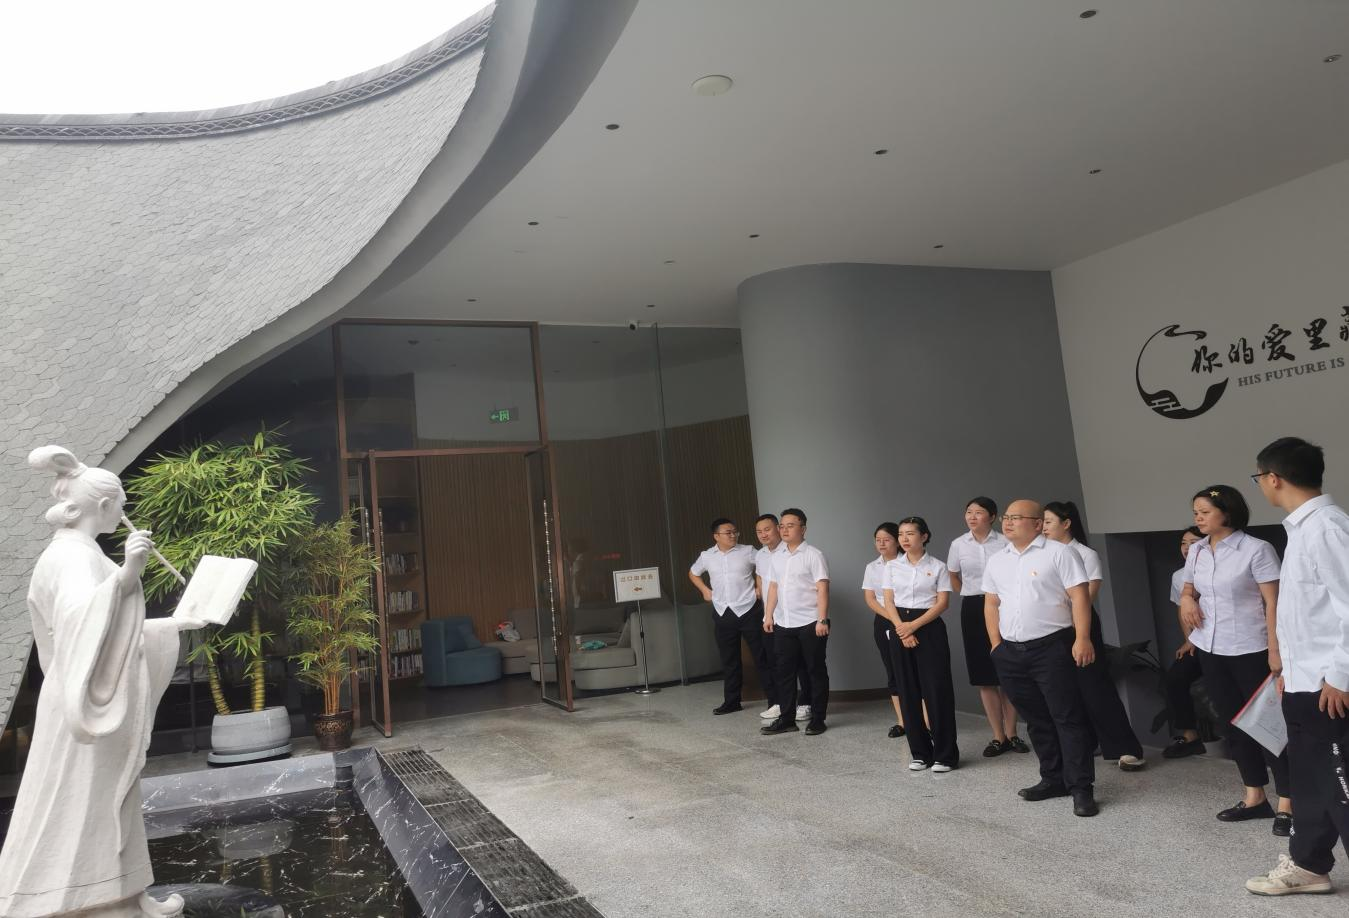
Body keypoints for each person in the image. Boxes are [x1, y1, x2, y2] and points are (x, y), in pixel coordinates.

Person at [0, 447, 209, 917]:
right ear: (103, 504)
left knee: (105, 798)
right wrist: (127, 575)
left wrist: (172, 625)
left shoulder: (81, 552)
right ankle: (80, 901)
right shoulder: (71, 557)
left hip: (83, 691)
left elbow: (110, 630)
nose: (123, 513)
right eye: (121, 504)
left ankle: (120, 894)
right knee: (82, 801)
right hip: (82, 702)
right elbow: (79, 623)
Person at [1246, 437, 1349, 896]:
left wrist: (1341, 676)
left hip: (1332, 687)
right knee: (1309, 783)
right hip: (1304, 683)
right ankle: (1308, 865)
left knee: (1342, 788)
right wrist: (1288, 671)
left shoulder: (1328, 528)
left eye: (1259, 478)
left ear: (1273, 478)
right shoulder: (1302, 530)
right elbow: (1308, 615)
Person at [1180, 484, 1292, 834]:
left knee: (1268, 725)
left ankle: (1288, 802)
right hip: (1212, 647)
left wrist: (1275, 650)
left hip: (1251, 647)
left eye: (1205, 512)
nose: (1198, 518)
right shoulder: (1197, 551)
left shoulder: (1256, 549)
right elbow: (1188, 586)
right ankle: (1254, 796)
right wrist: (1187, 599)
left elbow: (1273, 602)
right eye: (1195, 512)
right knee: (1233, 723)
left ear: (1226, 513)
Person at [982, 499, 1099, 817]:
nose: (1008, 522)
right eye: (1006, 517)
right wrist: (996, 645)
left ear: (1037, 524)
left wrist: (1082, 637)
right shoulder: (997, 559)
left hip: (1053, 647)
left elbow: (1079, 596)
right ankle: (1053, 779)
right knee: (1036, 719)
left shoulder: (1060, 553)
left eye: (1016, 517)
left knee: (1067, 717)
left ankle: (1081, 788)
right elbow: (991, 602)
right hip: (1011, 651)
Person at [1043, 500, 1147, 772]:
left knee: (1095, 687)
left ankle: (1126, 749)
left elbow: (1086, 597)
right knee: (1063, 690)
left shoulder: (1085, 554)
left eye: (1048, 522)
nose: (1043, 527)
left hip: (1080, 625)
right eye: (1042, 522)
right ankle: (1083, 745)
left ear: (1067, 524)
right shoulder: (1041, 554)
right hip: (1050, 629)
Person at [947, 497, 1027, 757]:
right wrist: (971, 593)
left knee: (1008, 671)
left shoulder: (1005, 541)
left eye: (978, 512)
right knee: (984, 675)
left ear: (992, 517)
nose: (972, 517)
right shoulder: (958, 544)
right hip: (973, 607)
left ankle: (1012, 733)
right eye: (968, 512)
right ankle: (997, 736)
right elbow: (953, 576)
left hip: (1003, 606)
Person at [884, 517, 959, 771]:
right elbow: (888, 601)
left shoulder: (938, 566)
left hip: (929, 627)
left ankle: (945, 755)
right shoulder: (892, 566)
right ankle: (919, 753)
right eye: (901, 534)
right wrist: (902, 629)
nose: (904, 539)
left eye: (910, 534)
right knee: (907, 690)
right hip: (899, 626)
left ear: (924, 536)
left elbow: (942, 603)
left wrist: (913, 626)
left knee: (937, 690)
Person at [690, 518, 775, 716]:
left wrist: (759, 585)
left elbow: (766, 566)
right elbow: (693, 573)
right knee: (729, 660)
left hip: (749, 610)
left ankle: (775, 700)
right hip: (722, 612)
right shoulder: (707, 556)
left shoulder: (748, 551)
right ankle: (732, 701)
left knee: (762, 656)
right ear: (716, 536)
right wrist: (704, 590)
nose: (733, 535)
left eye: (735, 532)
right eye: (728, 532)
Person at [761, 509, 831, 736]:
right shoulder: (777, 557)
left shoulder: (813, 555)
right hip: (784, 623)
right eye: (782, 526)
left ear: (803, 529)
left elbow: (822, 588)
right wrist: (768, 615)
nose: (784, 529)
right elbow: (773, 587)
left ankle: (818, 719)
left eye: (790, 525)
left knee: (815, 671)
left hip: (811, 622)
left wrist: (822, 619)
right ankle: (787, 719)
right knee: (784, 673)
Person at [754, 513, 813, 723]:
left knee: (802, 663)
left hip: (797, 616)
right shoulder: (760, 555)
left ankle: (805, 703)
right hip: (773, 616)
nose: (763, 534)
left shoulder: (791, 551)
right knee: (777, 662)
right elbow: (763, 578)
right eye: (759, 531)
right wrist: (764, 606)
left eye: (768, 529)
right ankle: (781, 703)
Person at [1163, 526, 1207, 759]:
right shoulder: (1178, 576)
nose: (1187, 548)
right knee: (1175, 678)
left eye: (1193, 542)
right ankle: (1190, 737)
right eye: (1183, 543)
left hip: (1226, 642)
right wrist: (1189, 640)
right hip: (1198, 642)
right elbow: (1182, 610)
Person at [862, 522, 907, 737]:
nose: (881, 544)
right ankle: (902, 721)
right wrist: (891, 617)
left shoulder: (907, 563)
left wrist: (899, 620)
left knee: (912, 670)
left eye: (886, 539)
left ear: (897, 541)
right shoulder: (872, 567)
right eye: (877, 540)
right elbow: (870, 598)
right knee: (892, 669)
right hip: (884, 619)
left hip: (909, 619)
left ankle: (925, 721)